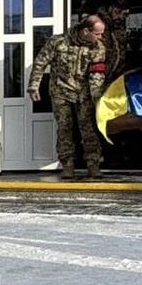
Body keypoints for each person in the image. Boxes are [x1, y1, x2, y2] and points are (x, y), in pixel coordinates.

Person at [29, 14, 112, 179]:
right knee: (64, 128)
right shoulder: (58, 42)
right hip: (60, 91)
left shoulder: (98, 48)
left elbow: (97, 75)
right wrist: (33, 85)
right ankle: (67, 164)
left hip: (84, 93)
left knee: (88, 128)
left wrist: (97, 100)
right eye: (98, 33)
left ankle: (93, 164)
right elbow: (40, 62)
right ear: (86, 31)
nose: (100, 37)